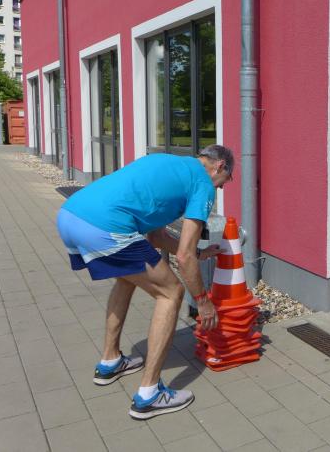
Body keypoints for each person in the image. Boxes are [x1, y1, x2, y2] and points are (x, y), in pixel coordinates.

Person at [56, 144, 234, 419]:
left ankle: (110, 362)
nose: (221, 187)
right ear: (219, 166)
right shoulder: (203, 184)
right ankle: (150, 395)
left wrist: (199, 253)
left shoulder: (169, 164)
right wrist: (203, 302)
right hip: (104, 227)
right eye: (226, 180)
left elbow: (156, 238)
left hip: (70, 215)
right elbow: (184, 257)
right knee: (171, 292)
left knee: (128, 279)